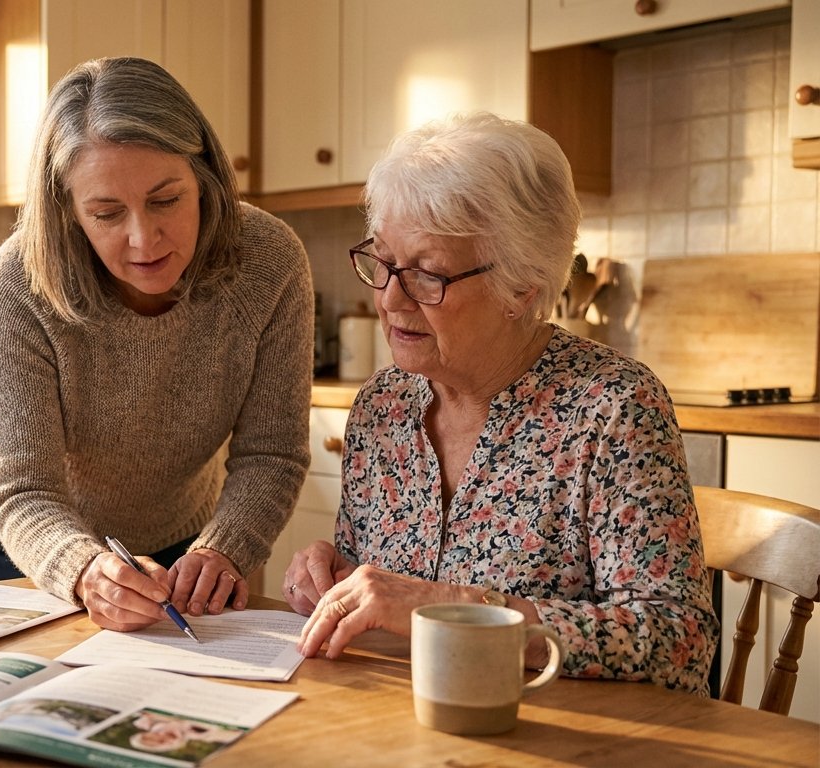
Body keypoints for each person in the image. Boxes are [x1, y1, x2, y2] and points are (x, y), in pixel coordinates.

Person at [283, 111, 718, 694]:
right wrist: (327, 573)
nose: (390, 299)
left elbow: (679, 641)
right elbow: (377, 587)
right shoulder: (381, 406)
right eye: (383, 262)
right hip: (402, 726)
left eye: (427, 275)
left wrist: (457, 607)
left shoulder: (612, 408)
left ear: (521, 288)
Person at [0, 57, 313, 633]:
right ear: (68, 212)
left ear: (205, 179)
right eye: (106, 213)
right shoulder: (16, 284)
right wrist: (83, 569)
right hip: (26, 525)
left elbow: (271, 454)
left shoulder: (269, 262)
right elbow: (25, 489)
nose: (143, 239)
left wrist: (225, 550)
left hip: (181, 523)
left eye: (166, 200)